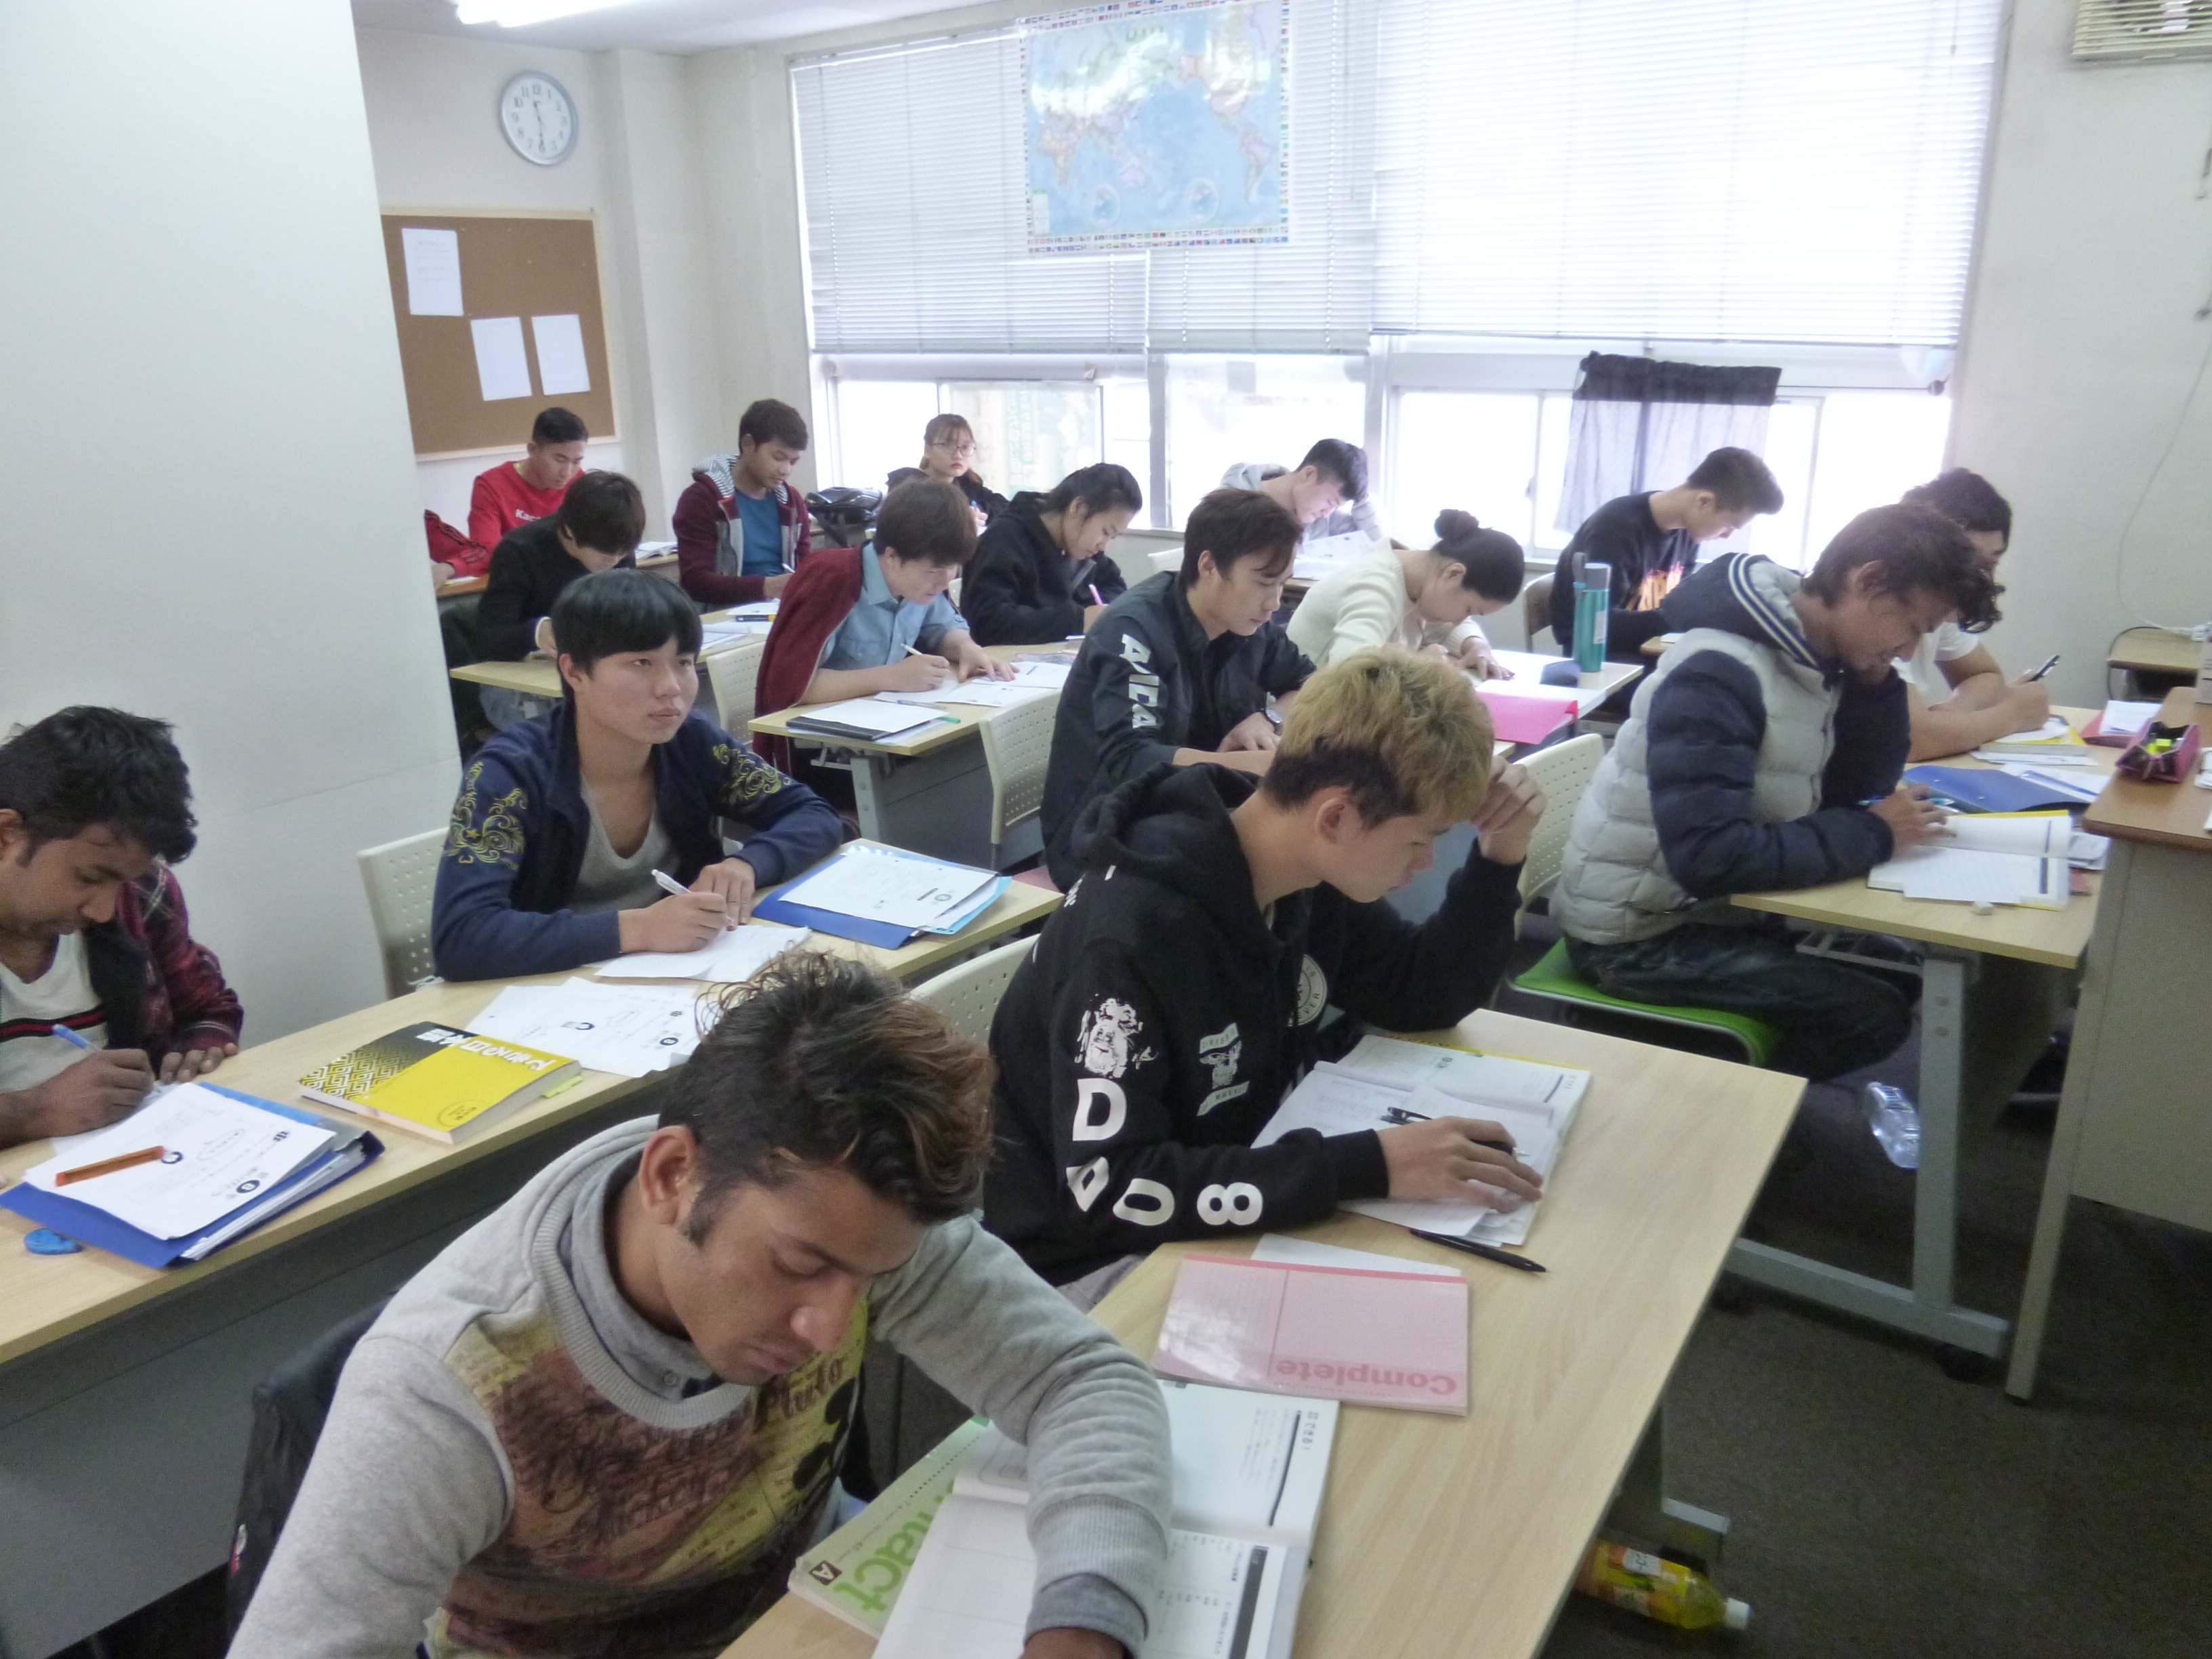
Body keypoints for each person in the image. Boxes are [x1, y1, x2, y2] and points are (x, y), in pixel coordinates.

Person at [230, 951, 1171, 1659]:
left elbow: (1080, 1380)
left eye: (869, 1284)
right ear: (673, 1176)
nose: (832, 1327)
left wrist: (1083, 1623)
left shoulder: (854, 1222)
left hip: (810, 1610)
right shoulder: (448, 1382)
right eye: (797, 1266)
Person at [985, 649, 1547, 1293]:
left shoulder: (1305, 872)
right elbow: (1109, 1193)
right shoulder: (1131, 939)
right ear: (1336, 817)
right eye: (1421, 840)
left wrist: (1501, 859)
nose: (1424, 865)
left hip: (1239, 1189)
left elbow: (1422, 993)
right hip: (1090, 1262)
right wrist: (1364, 1167)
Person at [1550, 505, 2003, 1082]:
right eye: (1914, 627)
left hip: (1706, 908)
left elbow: (1852, 795)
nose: (1912, 650)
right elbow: (1710, 857)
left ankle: (1717, 1077)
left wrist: (1874, 690)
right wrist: (1876, 832)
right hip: (1633, 935)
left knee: (1900, 972)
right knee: (1872, 1015)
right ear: (1868, 582)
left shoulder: (1811, 659)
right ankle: (1708, 1101)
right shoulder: (1718, 672)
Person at [433, 571, 844, 983]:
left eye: (683, 663)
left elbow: (813, 814)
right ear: (574, 672)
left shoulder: (691, 743)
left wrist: (748, 863)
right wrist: (640, 928)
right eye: (641, 663)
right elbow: (462, 938)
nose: (671, 687)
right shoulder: (511, 773)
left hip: (679, 974)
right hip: (550, 988)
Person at [1039, 488, 1315, 889]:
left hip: (1194, 810)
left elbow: (1310, 684)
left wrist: (1268, 717)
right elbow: (1132, 758)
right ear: (1209, 566)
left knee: (1309, 852)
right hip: (1104, 830)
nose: (1274, 603)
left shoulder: (1249, 624)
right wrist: (1250, 765)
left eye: (1282, 585)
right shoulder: (1133, 629)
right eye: (1263, 583)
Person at [0, 708, 242, 1151]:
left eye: (122, 882)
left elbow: (207, 1010)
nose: (104, 911)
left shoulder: (143, 893)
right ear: (7, 836)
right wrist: (32, 1112)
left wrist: (200, 1047)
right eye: (90, 878)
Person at [1549, 447, 1785, 661]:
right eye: (1729, 526)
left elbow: (1679, 603)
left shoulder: (1688, 533)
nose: (1726, 536)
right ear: (1704, 502)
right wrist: (1681, 618)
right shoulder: (1615, 529)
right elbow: (1599, 624)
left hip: (1646, 652)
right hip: (1601, 662)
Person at [1893, 469, 2049, 760]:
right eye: (1970, 565)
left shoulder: (1944, 607)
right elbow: (1910, 741)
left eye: (1991, 565)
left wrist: (1948, 716)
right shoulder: (1884, 613)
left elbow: (1985, 675)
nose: (1984, 582)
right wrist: (2012, 715)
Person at [474, 471, 647, 730]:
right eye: (605, 555)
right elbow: (488, 638)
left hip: (592, 675)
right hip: (519, 686)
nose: (614, 562)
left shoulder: (616, 545)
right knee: (579, 730)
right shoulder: (519, 550)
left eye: (623, 553)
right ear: (569, 531)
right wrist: (536, 632)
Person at [1286, 508, 1523, 678]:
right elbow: (1350, 677)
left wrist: (1477, 646)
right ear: (1453, 574)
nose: (1461, 619)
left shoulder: (1421, 576)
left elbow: (1444, 627)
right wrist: (1417, 665)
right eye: (1469, 609)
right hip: (1305, 711)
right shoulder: (1374, 588)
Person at [962, 462, 1141, 646]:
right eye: (1105, 532)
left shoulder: (1082, 548)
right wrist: (1078, 620)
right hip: (1005, 660)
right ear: (1078, 507)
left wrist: (1097, 612)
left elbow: (1114, 585)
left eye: (1112, 537)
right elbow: (989, 623)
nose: (1103, 546)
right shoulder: (1004, 540)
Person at [674, 398, 814, 608]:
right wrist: (768, 587)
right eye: (778, 458)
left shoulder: (792, 501)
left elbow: (805, 565)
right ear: (748, 445)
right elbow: (695, 581)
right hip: (725, 616)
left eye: (793, 462)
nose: (786, 470)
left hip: (784, 609)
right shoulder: (702, 498)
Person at [428, 407, 591, 584]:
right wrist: (448, 568)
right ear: (533, 449)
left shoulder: (581, 485)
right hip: (518, 583)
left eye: (576, 462)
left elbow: (594, 544)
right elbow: (488, 551)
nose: (567, 473)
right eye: (559, 459)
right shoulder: (492, 485)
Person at [1221, 438, 1381, 545]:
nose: (1327, 513)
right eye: (1330, 502)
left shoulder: (1323, 520)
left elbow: (1378, 548)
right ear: (1309, 474)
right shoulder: (1230, 505)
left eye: (1335, 507)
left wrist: (1362, 499)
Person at [896, 412, 1010, 528]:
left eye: (965, 447)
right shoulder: (906, 486)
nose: (958, 455)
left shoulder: (968, 484)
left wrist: (977, 510)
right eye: (949, 446)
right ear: (927, 450)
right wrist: (959, 516)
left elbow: (1007, 507)